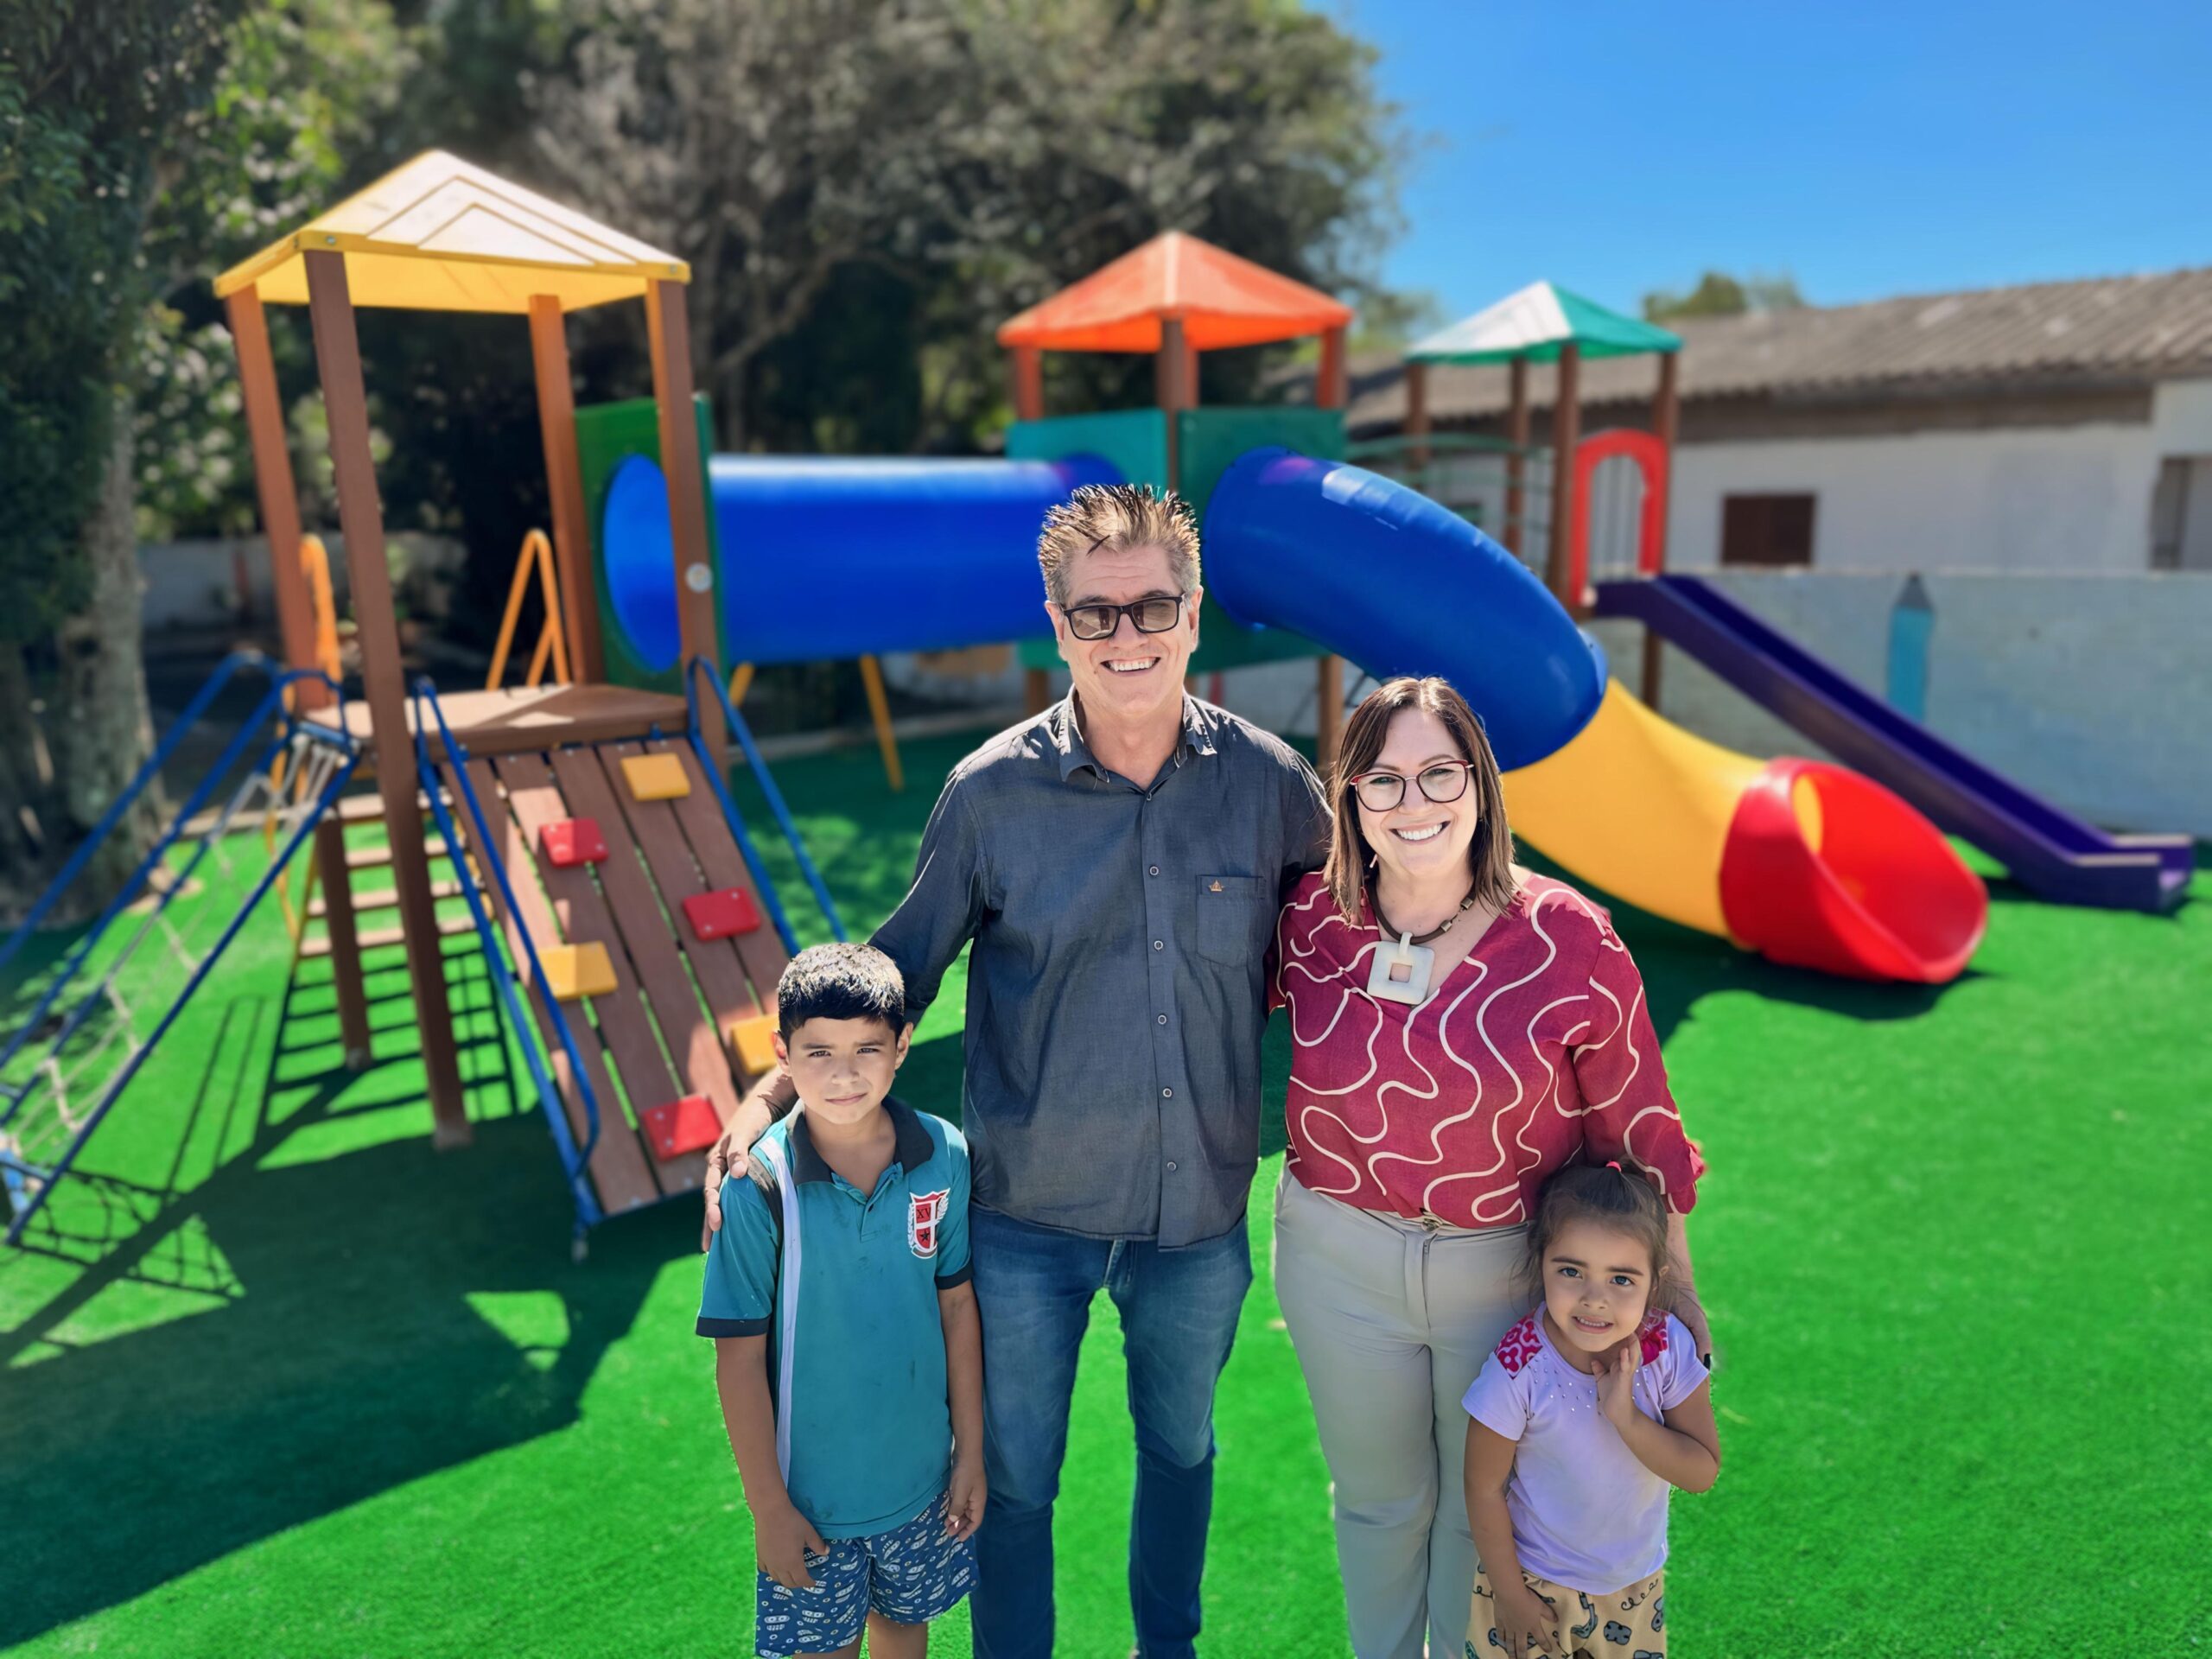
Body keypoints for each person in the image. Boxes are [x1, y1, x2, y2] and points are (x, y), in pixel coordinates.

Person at [704, 483, 1332, 1659]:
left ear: (1195, 612)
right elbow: (894, 974)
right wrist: (764, 1096)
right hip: (1026, 1220)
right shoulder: (989, 796)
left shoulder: (1272, 787)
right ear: (1058, 626)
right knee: (1017, 1483)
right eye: (1097, 613)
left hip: (1196, 1217)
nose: (1127, 635)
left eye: (1154, 606)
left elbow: (1363, 937)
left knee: (1182, 1453)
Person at [1268, 675, 1710, 1659]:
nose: (1413, 803)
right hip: (1336, 1262)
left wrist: (1675, 1288)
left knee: (1486, 1509)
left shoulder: (1569, 937)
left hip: (1505, 1270)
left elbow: (1639, 1124)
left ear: (1480, 783)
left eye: (1440, 773)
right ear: (1350, 797)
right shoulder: (1309, 920)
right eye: (1383, 780)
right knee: (1378, 1504)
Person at [699, 943, 986, 1659]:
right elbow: (738, 1361)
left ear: (903, 1047)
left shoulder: (944, 1154)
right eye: (819, 1052)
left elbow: (957, 1309)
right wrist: (768, 1506)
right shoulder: (757, 1189)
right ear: (783, 1054)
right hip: (811, 1506)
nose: (844, 1074)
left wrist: (970, 1453)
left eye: (867, 1049)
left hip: (922, 1483)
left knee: (904, 1633)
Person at [1462, 1164, 1720, 1658]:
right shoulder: (1518, 1366)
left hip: (1634, 1586)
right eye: (1571, 1271)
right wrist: (1510, 1596)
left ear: (1655, 1282)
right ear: (1541, 1262)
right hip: (1532, 1584)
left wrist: (1627, 1418)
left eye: (1621, 1278)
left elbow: (1700, 1472)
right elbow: (1482, 1486)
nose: (1594, 1300)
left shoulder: (1668, 1348)